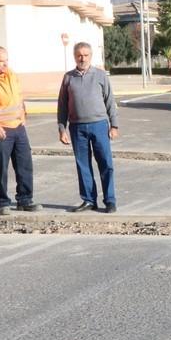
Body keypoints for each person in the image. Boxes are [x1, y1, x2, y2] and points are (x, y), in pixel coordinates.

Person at [0, 46, 42, 215]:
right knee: (1, 167)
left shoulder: (11, 75)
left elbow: (19, 98)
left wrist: (23, 117)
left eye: (6, 60)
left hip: (18, 127)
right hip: (0, 130)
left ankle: (25, 200)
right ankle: (2, 202)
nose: (5, 64)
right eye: (0, 61)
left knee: (25, 165)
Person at [57, 42, 119, 213]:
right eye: (79, 55)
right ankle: (89, 200)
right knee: (83, 165)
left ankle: (110, 200)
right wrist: (62, 129)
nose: (82, 58)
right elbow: (62, 105)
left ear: (90, 56)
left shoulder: (100, 75)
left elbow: (110, 101)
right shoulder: (68, 78)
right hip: (77, 128)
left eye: (85, 55)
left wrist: (114, 125)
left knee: (106, 163)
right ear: (74, 56)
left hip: (99, 125)